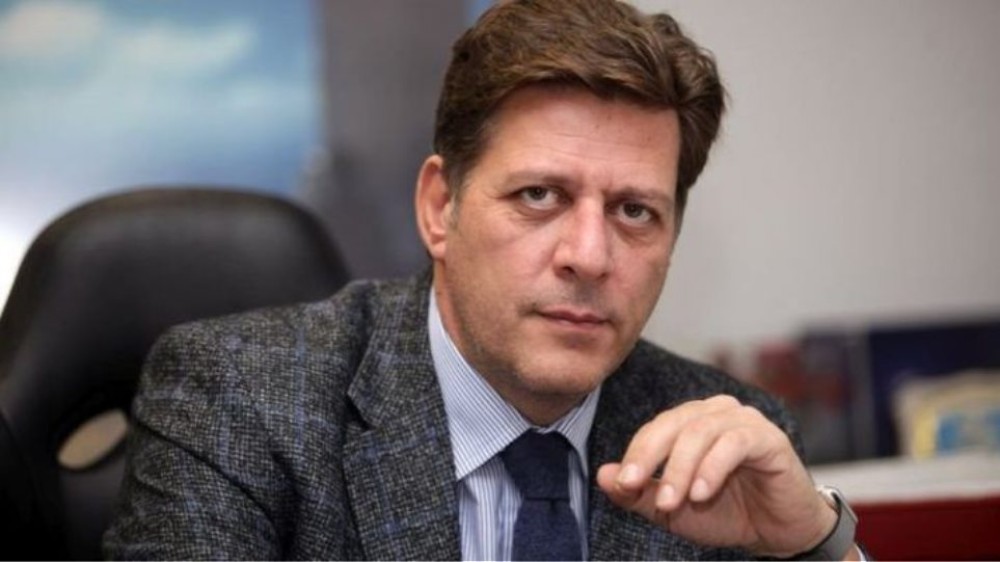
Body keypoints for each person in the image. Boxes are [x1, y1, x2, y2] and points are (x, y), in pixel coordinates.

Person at [105, 0, 863, 559]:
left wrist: (815, 545)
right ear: (441, 208)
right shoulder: (239, 402)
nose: (590, 256)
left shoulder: (724, 449)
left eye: (635, 211)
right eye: (540, 196)